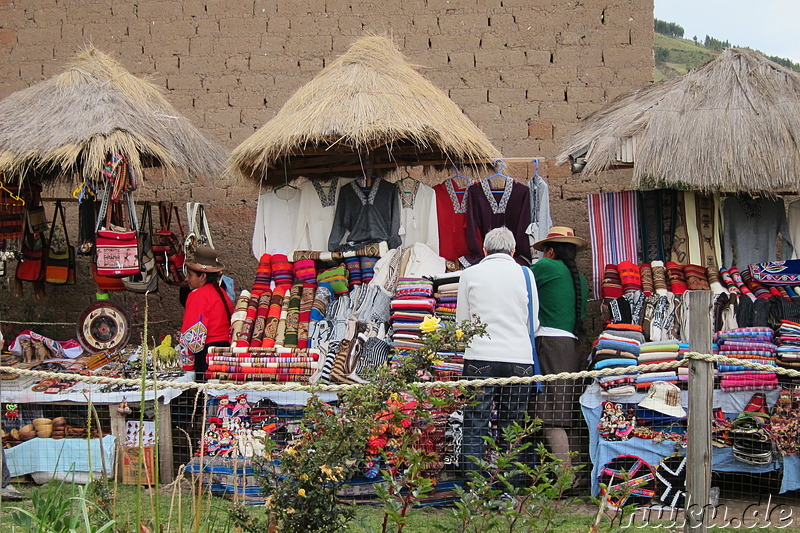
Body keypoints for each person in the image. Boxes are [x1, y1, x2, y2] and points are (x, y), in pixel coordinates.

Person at [455, 226, 538, 474]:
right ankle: (507, 487)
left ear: (484, 250)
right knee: (511, 424)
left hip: (480, 357)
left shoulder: (470, 274)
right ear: (513, 250)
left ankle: (472, 485)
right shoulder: (526, 274)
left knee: (475, 422)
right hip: (519, 359)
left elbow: (462, 324)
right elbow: (533, 324)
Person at [530, 226, 589, 466]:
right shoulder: (581, 280)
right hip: (573, 348)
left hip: (551, 345)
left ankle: (565, 479)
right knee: (567, 415)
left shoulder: (546, 267)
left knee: (550, 416)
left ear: (551, 251)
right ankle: (578, 477)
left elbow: (519, 282)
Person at [180, 246, 234, 382]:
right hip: (225, 353)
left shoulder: (197, 296)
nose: (186, 279)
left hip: (207, 356)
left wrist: (188, 367)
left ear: (203, 276)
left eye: (190, 275)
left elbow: (191, 337)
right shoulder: (222, 293)